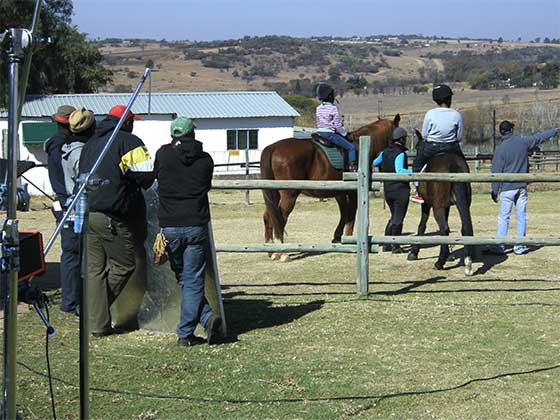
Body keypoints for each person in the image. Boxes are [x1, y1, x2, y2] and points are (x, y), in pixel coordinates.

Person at [78, 105, 154, 337]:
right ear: (128, 123)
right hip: (112, 216)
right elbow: (146, 178)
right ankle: (95, 312)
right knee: (124, 264)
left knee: (94, 271)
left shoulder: (91, 144)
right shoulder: (129, 141)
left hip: (88, 213)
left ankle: (97, 324)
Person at [154, 116, 222, 347]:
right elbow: (205, 187)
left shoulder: (163, 154)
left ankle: (192, 327)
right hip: (195, 224)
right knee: (191, 279)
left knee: (185, 278)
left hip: (170, 226)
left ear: (173, 135)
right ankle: (200, 321)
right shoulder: (205, 160)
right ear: (193, 134)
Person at [486, 121, 560, 255]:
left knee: (504, 217)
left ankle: (500, 246)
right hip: (522, 186)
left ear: (501, 132)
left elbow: (496, 171)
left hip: (508, 188)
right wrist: (555, 130)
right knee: (521, 216)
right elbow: (540, 137)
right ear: (511, 130)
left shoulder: (500, 149)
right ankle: (519, 246)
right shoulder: (523, 142)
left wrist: (494, 190)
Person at [44, 104, 80, 317]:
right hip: (68, 203)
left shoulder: (53, 144)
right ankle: (71, 300)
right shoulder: (64, 147)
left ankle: (69, 299)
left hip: (60, 202)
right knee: (73, 254)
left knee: (69, 254)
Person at [411, 84, 464, 203]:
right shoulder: (456, 114)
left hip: (432, 147)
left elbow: (424, 135)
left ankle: (418, 191)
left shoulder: (430, 114)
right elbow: (459, 136)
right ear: (449, 99)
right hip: (452, 147)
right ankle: (465, 188)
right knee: (462, 165)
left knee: (417, 165)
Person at [373, 127, 412, 254]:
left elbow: (374, 162)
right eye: (405, 138)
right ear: (401, 139)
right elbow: (399, 171)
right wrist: (415, 172)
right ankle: (395, 245)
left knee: (394, 216)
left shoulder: (383, 152)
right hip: (400, 190)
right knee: (398, 218)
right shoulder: (400, 153)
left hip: (388, 190)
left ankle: (386, 243)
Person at [315, 83, 357, 171]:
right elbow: (337, 125)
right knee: (351, 147)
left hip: (319, 133)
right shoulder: (333, 108)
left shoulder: (318, 108)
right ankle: (353, 168)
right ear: (330, 96)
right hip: (329, 134)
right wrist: (344, 134)